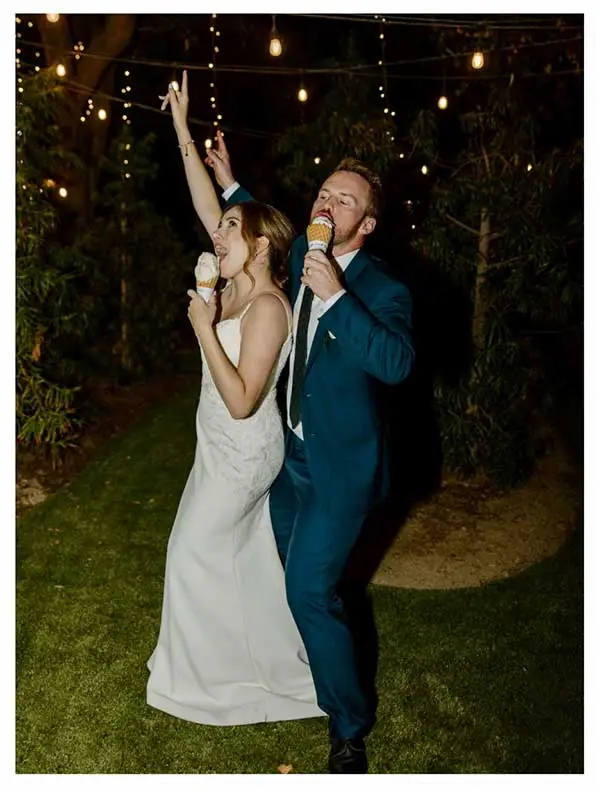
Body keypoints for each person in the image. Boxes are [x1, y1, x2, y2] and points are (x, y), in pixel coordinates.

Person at [205, 126, 416, 773]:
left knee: (308, 590)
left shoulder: (381, 290)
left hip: (341, 474)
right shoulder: (300, 256)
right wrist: (228, 183)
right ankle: (301, 668)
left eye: (345, 201)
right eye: (325, 193)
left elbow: (398, 362)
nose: (327, 205)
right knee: (288, 576)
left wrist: (336, 298)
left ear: (368, 224)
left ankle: (349, 726)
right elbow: (255, 218)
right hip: (290, 459)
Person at [146, 72, 325, 728]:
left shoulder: (271, 306)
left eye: (228, 228)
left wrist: (201, 328)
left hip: (244, 449)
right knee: (241, 560)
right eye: (217, 226)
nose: (214, 233)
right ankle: (260, 663)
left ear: (258, 245)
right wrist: (180, 129)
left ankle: (201, 681)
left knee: (191, 549)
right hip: (216, 442)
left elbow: (247, 399)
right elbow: (205, 202)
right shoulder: (240, 282)